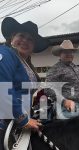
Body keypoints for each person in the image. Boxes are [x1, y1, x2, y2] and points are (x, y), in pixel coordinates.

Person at [0, 17, 50, 149]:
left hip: (14, 121)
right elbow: (3, 87)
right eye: (21, 35)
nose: (25, 41)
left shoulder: (25, 63)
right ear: (12, 38)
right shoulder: (5, 53)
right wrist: (23, 119)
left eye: (30, 39)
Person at [45, 40, 79, 119]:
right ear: (60, 54)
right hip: (67, 106)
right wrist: (64, 101)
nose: (69, 54)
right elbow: (48, 89)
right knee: (70, 130)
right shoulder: (55, 69)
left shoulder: (77, 68)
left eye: (71, 52)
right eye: (66, 52)